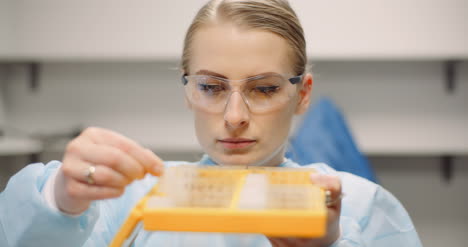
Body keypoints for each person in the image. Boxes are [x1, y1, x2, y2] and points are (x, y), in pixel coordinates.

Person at [0, 0, 422, 246]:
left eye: (264, 89)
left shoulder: (362, 209)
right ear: (188, 90)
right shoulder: (129, 201)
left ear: (302, 94)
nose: (234, 116)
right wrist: (58, 202)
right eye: (212, 87)